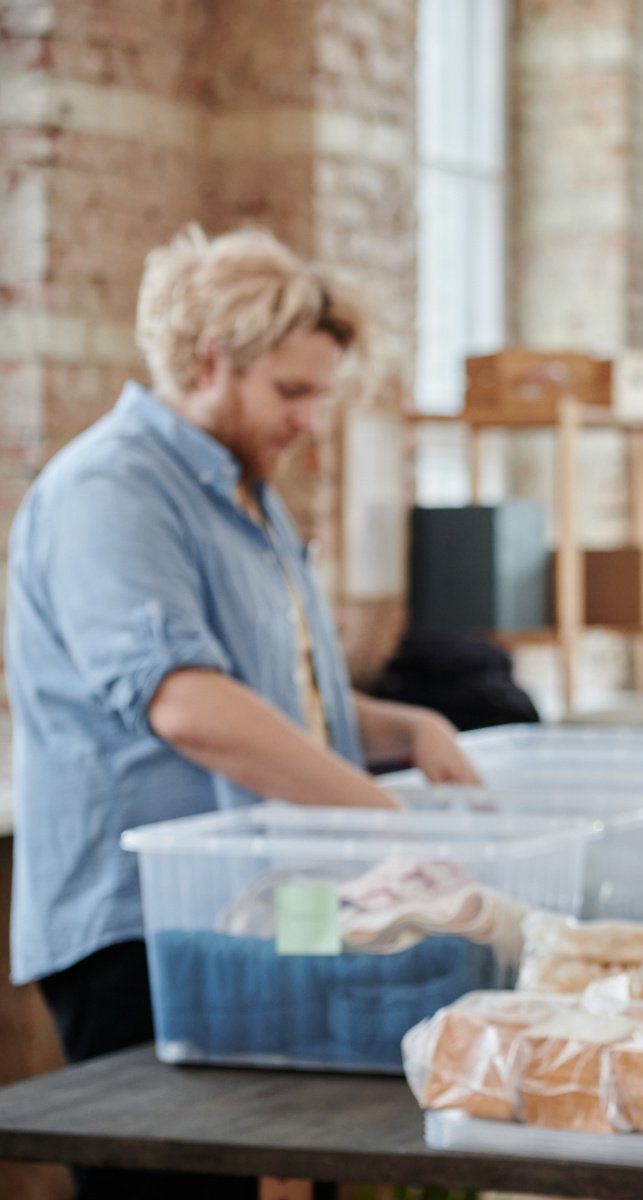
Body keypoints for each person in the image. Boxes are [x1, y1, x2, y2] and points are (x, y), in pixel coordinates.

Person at [5, 226, 480, 1198]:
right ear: (209, 361)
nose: (310, 420)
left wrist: (408, 732)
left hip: (258, 908)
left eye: (320, 393)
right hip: (141, 927)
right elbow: (189, 707)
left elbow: (285, 702)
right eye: (290, 392)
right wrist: (381, 815)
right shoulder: (114, 490)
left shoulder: (247, 498)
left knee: (311, 1163)